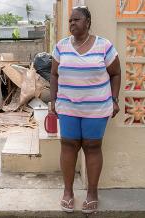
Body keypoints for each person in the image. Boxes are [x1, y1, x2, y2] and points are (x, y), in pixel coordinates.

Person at [50, 6, 121, 214]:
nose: (72, 23)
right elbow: (54, 75)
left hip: (96, 108)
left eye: (77, 20)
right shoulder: (61, 47)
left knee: (92, 146)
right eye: (70, 20)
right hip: (68, 107)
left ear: (88, 23)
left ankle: (92, 193)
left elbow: (115, 73)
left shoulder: (104, 46)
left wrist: (114, 99)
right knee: (68, 146)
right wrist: (53, 102)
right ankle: (68, 192)